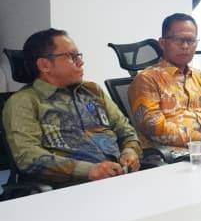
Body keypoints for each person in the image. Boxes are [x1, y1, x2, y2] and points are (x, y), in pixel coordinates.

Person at [2, 29, 141, 186]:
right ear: (44, 65)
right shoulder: (24, 102)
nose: (80, 62)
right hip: (72, 187)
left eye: (79, 56)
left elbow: (125, 129)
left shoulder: (92, 91)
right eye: (72, 56)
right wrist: (89, 170)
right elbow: (27, 156)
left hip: (121, 178)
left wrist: (130, 151)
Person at [128, 13, 201, 156]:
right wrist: (200, 142)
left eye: (191, 40)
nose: (185, 46)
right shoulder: (147, 79)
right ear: (163, 43)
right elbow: (153, 125)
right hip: (172, 155)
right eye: (179, 40)